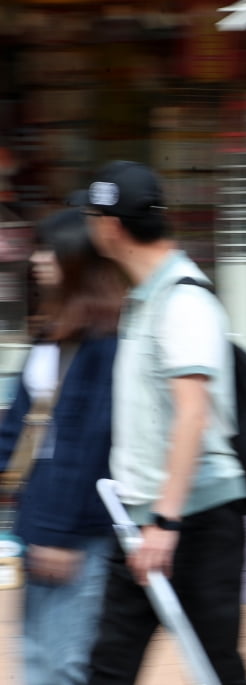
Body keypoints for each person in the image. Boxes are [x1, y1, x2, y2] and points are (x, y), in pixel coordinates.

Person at [81, 161, 246, 684]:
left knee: (216, 667)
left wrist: (167, 522)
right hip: (142, 522)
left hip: (193, 525)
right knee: (108, 669)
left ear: (110, 227)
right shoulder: (146, 299)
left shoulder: (183, 300)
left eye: (92, 216)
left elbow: (192, 414)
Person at [0, 205, 125, 684]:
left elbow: (90, 445)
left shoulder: (104, 344)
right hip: (38, 523)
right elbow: (17, 432)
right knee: (35, 659)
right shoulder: (50, 338)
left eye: (48, 249)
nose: (37, 259)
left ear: (76, 260)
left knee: (66, 664)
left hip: (78, 533)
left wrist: (63, 536)